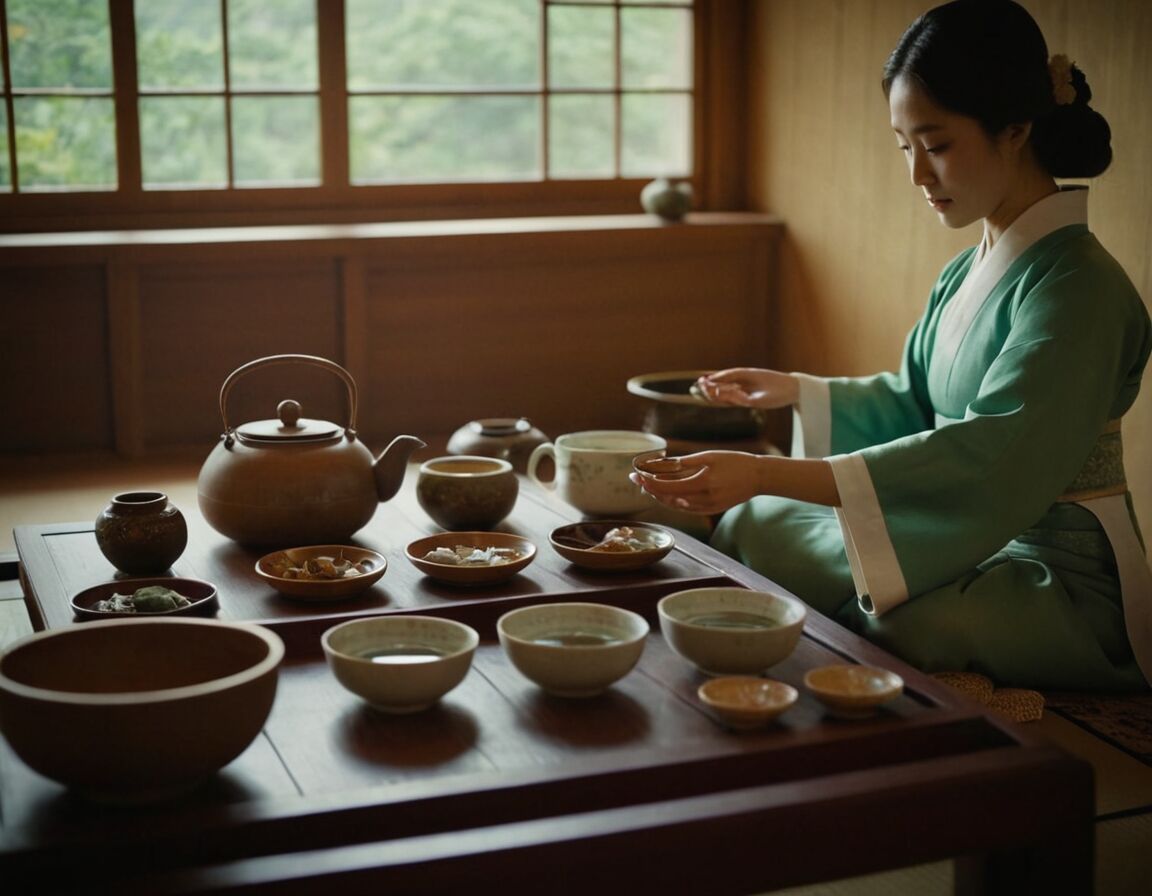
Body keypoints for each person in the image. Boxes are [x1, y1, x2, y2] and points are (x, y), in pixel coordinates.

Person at [634, 0, 1152, 692]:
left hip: (1055, 572)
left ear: (1016, 128)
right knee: (759, 525)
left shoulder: (1081, 290)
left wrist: (763, 470)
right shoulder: (969, 268)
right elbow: (912, 400)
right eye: (905, 148)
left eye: (935, 146)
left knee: (901, 625)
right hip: (960, 533)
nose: (917, 175)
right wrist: (799, 390)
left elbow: (986, 460)